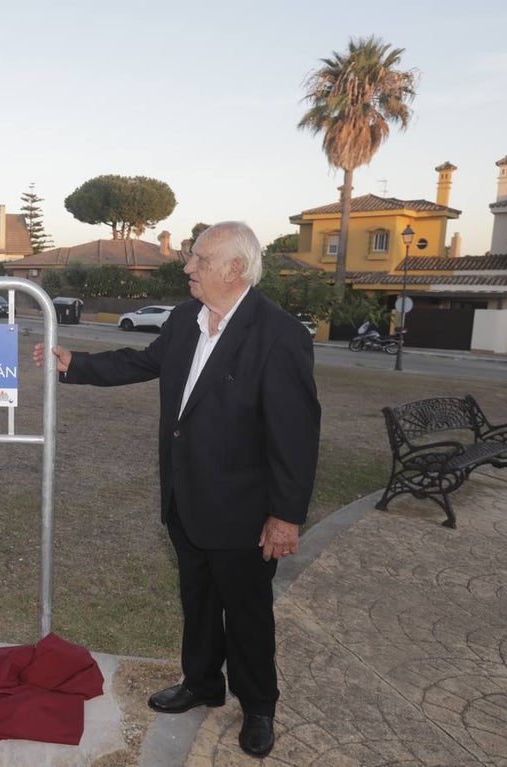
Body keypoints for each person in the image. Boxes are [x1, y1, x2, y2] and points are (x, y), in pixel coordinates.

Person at [34, 221, 320, 758]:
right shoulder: (188, 317)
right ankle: (202, 682)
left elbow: (296, 436)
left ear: (235, 269)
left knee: (248, 612)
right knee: (199, 600)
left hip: (244, 510)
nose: (188, 268)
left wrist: (285, 516)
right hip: (185, 498)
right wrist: (76, 364)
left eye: (200, 260)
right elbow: (143, 361)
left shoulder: (279, 335)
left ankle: (259, 706)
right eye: (191, 258)